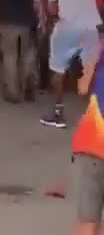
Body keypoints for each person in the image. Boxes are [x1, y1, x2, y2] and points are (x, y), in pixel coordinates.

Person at [41, 0, 102, 129]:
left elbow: (51, 8)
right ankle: (96, 115)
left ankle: (57, 113)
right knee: (90, 71)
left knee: (58, 69)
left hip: (67, 27)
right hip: (91, 26)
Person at [72, 39, 104, 235]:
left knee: (88, 221)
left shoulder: (99, 50)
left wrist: (93, 59)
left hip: (94, 146)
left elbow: (82, 88)